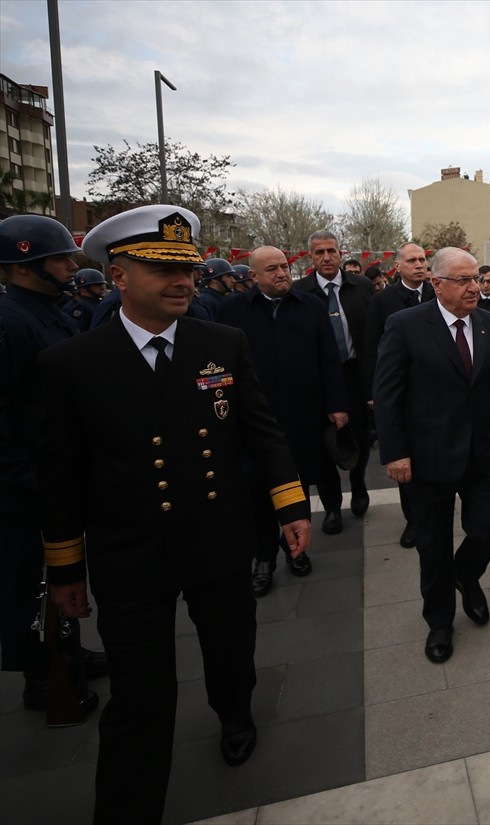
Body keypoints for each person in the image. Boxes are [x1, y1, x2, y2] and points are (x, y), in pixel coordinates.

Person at [39, 204, 311, 825]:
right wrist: (65, 569)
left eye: (186, 267)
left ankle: (234, 714)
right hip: (130, 552)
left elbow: (261, 432)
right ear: (117, 277)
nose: (182, 281)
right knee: (139, 694)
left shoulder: (222, 344)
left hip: (217, 535)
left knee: (231, 648)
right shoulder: (72, 364)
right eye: (161, 269)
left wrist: (290, 505)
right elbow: (61, 476)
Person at [374, 248, 490, 663]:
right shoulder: (405, 326)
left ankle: (466, 575)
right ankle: (439, 621)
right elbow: (387, 394)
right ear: (437, 284)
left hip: (483, 454)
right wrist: (396, 451)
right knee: (432, 546)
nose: (475, 287)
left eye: (477, 279)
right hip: (428, 458)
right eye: (464, 280)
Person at [0, 214, 106, 717]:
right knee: (29, 583)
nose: (71, 266)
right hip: (27, 485)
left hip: (58, 471)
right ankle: (41, 674)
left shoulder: (52, 312)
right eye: (60, 259)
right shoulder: (9, 323)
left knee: (62, 576)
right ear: (24, 266)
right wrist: (30, 481)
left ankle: (68, 649)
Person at [216, 246, 349, 596]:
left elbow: (329, 359)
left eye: (285, 267)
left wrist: (337, 404)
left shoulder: (312, 308)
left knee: (297, 483)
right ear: (254, 277)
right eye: (272, 269)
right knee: (257, 489)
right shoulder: (232, 311)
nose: (282, 274)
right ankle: (263, 558)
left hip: (302, 415)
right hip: (252, 421)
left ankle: (296, 550)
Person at [293, 230, 373, 533]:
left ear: (341, 253)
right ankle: (331, 507)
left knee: (360, 438)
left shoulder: (362, 287)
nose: (326, 257)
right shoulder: (300, 292)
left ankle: (359, 483)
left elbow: (373, 336)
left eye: (332, 251)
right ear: (310, 256)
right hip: (318, 382)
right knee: (323, 444)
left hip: (355, 375)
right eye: (319, 252)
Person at [363, 242, 434, 548]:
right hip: (401, 392)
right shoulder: (383, 300)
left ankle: (434, 513)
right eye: (413, 260)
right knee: (407, 459)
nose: (420, 265)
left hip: (437, 390)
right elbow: (371, 348)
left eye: (423, 260)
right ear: (398, 267)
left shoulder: (438, 292)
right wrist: (372, 392)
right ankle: (413, 520)